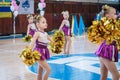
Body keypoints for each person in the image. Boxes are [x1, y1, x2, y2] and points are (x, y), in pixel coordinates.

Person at [95, 5, 120, 80]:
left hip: (103, 50)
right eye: (114, 13)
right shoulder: (108, 23)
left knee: (103, 76)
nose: (116, 15)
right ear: (108, 15)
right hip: (107, 51)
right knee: (116, 75)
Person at [29, 15, 54, 80]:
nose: (45, 23)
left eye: (46, 22)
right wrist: (28, 51)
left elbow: (52, 41)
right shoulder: (37, 33)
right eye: (43, 22)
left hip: (44, 52)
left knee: (40, 71)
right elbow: (32, 42)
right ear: (38, 24)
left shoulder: (45, 33)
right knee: (48, 69)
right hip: (38, 53)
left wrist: (57, 42)